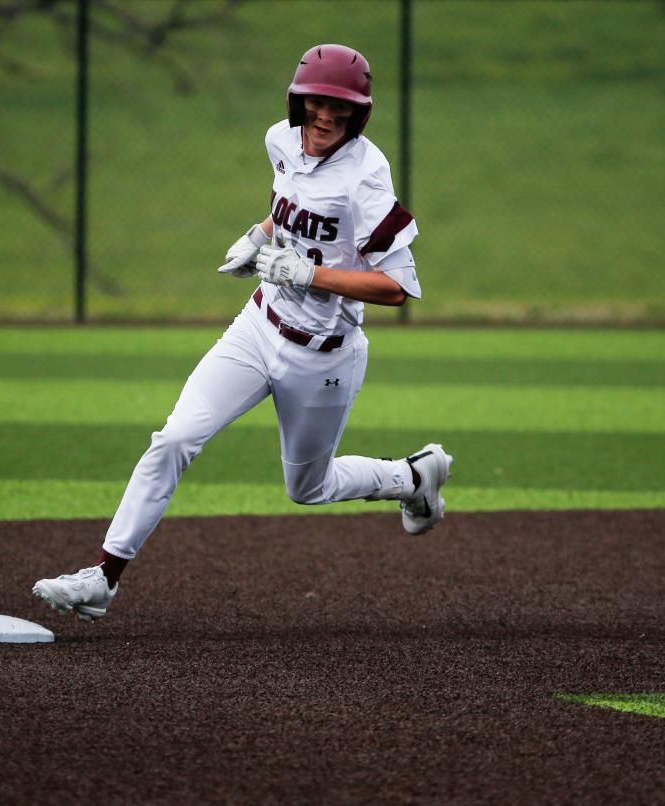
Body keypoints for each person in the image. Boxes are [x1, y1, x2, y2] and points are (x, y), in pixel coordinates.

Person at [32, 43, 453, 622]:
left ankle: (412, 475)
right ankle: (104, 577)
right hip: (257, 327)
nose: (327, 117)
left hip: (322, 356)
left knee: (309, 488)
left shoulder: (366, 175)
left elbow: (397, 288)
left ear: (361, 112)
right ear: (298, 100)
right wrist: (258, 237)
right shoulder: (280, 139)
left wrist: (310, 273)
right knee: (174, 439)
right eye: (317, 103)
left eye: (342, 108)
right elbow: (290, 206)